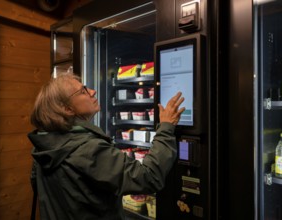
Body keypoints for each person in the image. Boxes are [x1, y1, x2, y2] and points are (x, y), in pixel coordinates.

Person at [28, 72, 185, 220]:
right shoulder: (87, 149)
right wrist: (166, 127)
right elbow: (148, 177)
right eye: (82, 91)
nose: (93, 91)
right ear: (67, 109)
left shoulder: (43, 146)